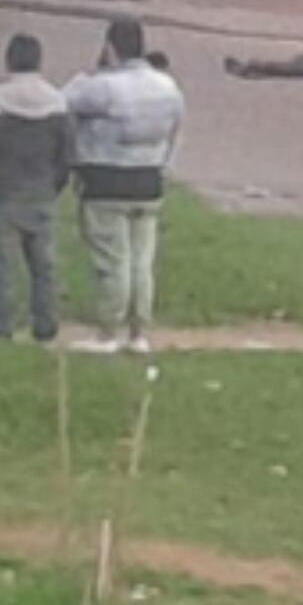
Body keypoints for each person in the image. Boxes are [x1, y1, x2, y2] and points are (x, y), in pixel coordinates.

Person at [64, 20, 186, 356]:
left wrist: (84, 76)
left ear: (110, 47)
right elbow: (176, 130)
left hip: (106, 180)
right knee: (142, 263)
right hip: (149, 180)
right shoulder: (167, 86)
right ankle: (139, 333)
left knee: (113, 261)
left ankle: (108, 332)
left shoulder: (103, 87)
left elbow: (63, 103)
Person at [0, 34, 75, 344]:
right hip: (40, 193)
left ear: (9, 61)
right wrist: (53, 186)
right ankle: (46, 324)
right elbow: (67, 154)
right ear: (39, 61)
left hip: (2, 194)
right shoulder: (56, 102)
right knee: (43, 266)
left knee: (0, 266)